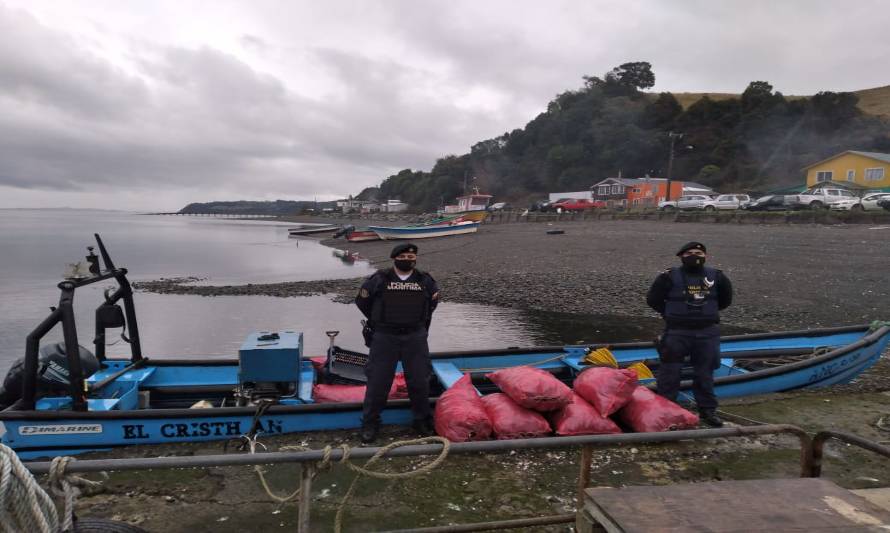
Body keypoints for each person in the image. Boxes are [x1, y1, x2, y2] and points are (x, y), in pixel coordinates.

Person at [355, 242, 440, 444]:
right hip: (385, 336)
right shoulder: (379, 279)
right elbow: (362, 302)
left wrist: (416, 327)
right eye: (404, 258)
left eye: (412, 258)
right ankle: (370, 423)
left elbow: (431, 306)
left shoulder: (425, 280)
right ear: (395, 258)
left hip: (415, 336)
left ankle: (421, 420)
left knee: (419, 380)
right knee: (378, 382)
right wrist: (381, 322)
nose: (408, 261)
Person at [646, 241, 733, 427]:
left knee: (705, 374)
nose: (695, 256)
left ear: (706, 256)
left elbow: (725, 301)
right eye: (690, 253)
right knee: (670, 374)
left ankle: (707, 411)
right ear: (681, 256)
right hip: (677, 332)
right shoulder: (667, 277)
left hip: (707, 333)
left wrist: (704, 314)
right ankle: (666, 411)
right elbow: (653, 299)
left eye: (698, 252)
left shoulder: (717, 277)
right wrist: (670, 313)